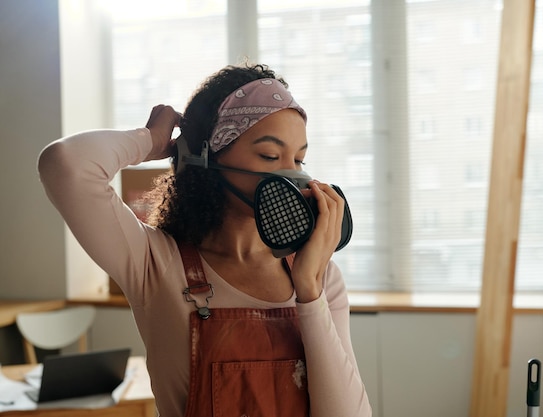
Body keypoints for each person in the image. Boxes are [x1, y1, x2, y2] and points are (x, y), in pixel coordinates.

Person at [38, 63, 372, 417]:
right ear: (206, 156)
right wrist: (149, 140)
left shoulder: (320, 277)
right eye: (270, 156)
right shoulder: (154, 262)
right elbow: (66, 163)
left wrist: (310, 291)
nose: (292, 174)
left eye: (299, 159)